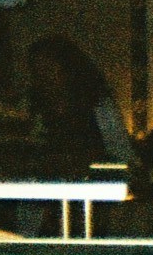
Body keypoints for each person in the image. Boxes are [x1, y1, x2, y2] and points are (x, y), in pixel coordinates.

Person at [27, 33, 138, 167]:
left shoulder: (98, 105)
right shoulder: (37, 107)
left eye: (49, 69)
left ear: (68, 69)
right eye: (37, 71)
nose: (44, 77)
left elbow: (121, 153)